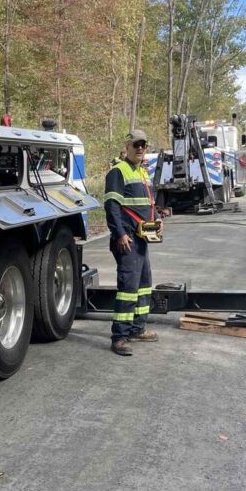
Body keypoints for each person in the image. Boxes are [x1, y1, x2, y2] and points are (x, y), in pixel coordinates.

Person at [105, 130, 158, 356]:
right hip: (127, 239)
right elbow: (112, 206)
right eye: (136, 144)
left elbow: (148, 204)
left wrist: (157, 221)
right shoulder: (118, 171)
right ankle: (120, 337)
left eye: (143, 145)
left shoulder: (143, 172)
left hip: (142, 238)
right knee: (128, 288)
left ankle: (137, 328)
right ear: (127, 146)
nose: (140, 148)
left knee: (144, 284)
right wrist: (119, 234)